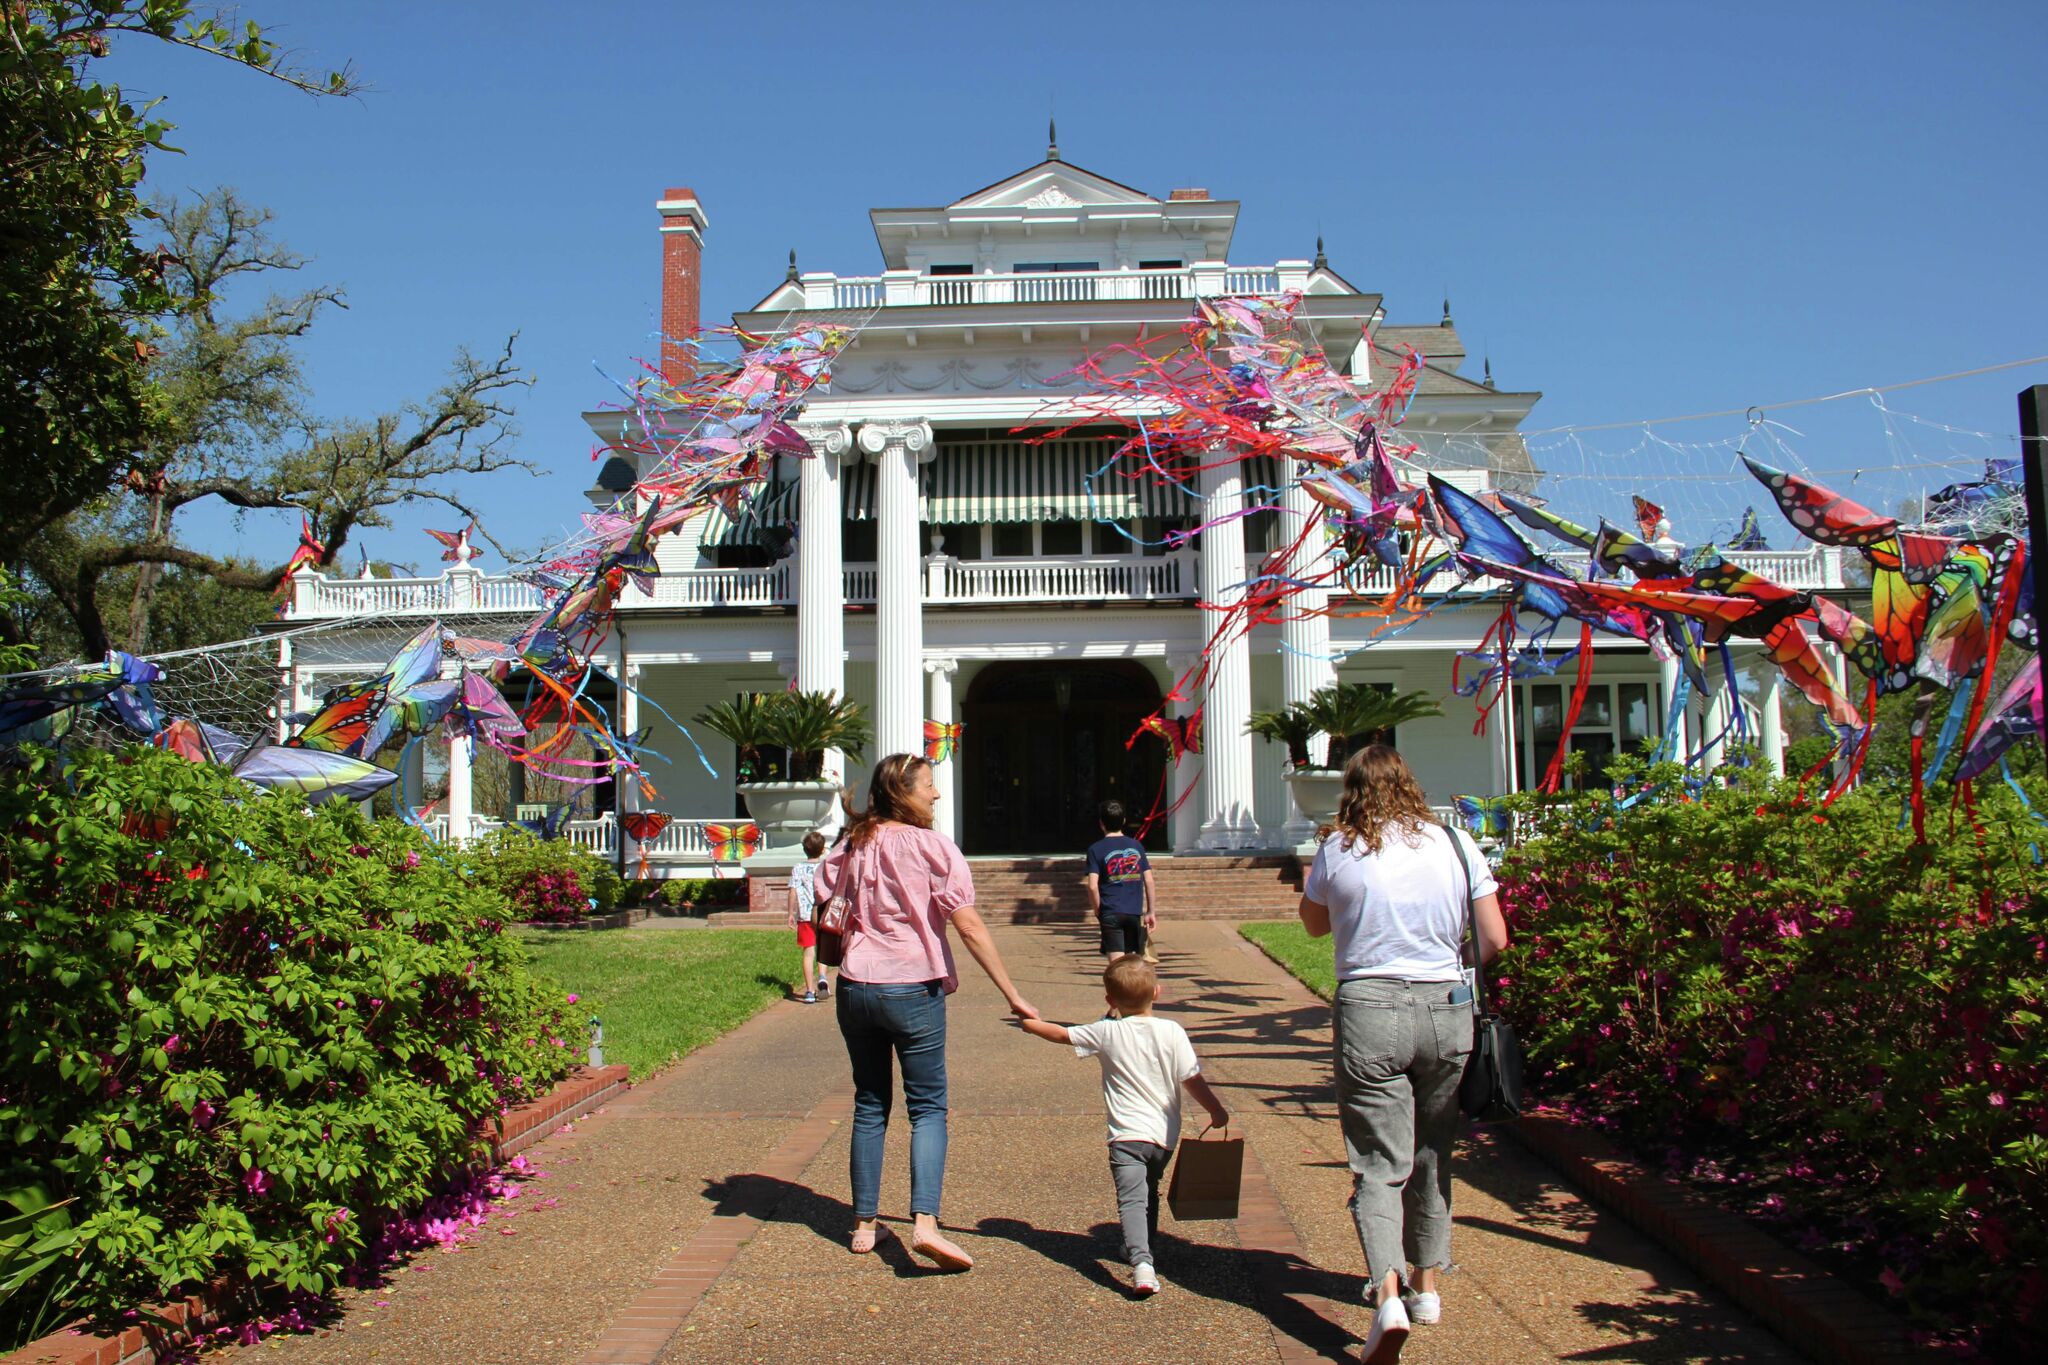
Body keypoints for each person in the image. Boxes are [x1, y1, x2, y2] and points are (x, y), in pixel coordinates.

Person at [1296, 744, 1509, 1365]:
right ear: (1410, 784)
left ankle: (1386, 1293)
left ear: (1352, 789)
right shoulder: (1455, 845)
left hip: (1369, 1005)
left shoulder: (1339, 847)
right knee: (1432, 1150)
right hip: (1445, 1004)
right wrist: (1452, 973)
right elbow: (1493, 937)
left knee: (1376, 1160)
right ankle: (1427, 1286)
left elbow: (1312, 925)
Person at [814, 753, 1040, 1272]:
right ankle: (925, 1224)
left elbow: (825, 893)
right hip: (912, 987)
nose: (936, 795)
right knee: (928, 1107)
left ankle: (865, 1223)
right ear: (903, 792)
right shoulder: (934, 847)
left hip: (855, 985)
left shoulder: (854, 842)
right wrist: (1012, 993)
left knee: (870, 1104)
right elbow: (969, 926)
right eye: (929, 786)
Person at [1019, 954, 1228, 1296]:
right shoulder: (1172, 1031)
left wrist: (1029, 1023)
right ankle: (1141, 1246)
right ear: (1157, 993)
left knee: (1132, 1199)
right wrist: (1216, 1111)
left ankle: (1142, 1263)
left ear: (1109, 1000)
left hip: (1126, 1136)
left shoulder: (1107, 1031)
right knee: (1150, 1190)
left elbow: (1060, 1035)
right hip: (1164, 1137)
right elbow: (1192, 1079)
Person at [1084, 800, 1156, 967]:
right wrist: (1151, 911)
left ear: (1101, 823)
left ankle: (1118, 993)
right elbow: (1149, 880)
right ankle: (1132, 993)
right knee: (1133, 966)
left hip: (1110, 911)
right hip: (1133, 911)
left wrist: (1098, 911)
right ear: (1124, 821)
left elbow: (1092, 885)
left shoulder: (1095, 849)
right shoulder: (1136, 846)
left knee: (1116, 967)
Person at [786, 830, 831, 1003]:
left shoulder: (798, 868)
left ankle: (810, 991)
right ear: (821, 850)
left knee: (808, 952)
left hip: (805, 915)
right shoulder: (826, 866)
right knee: (823, 949)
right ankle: (822, 977)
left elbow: (793, 891)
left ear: (804, 849)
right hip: (823, 913)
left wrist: (791, 913)